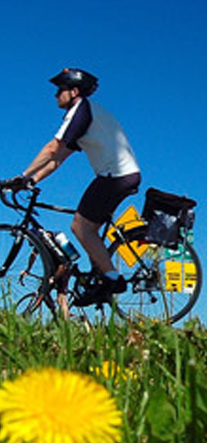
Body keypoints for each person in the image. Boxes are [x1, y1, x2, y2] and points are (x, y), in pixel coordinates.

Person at [13, 68, 141, 305]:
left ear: (74, 91)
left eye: (59, 90)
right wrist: (32, 180)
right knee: (89, 229)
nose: (55, 96)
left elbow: (52, 148)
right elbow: (58, 159)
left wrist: (22, 175)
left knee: (81, 227)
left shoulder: (80, 110)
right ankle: (102, 278)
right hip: (118, 175)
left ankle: (113, 280)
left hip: (116, 176)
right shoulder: (85, 115)